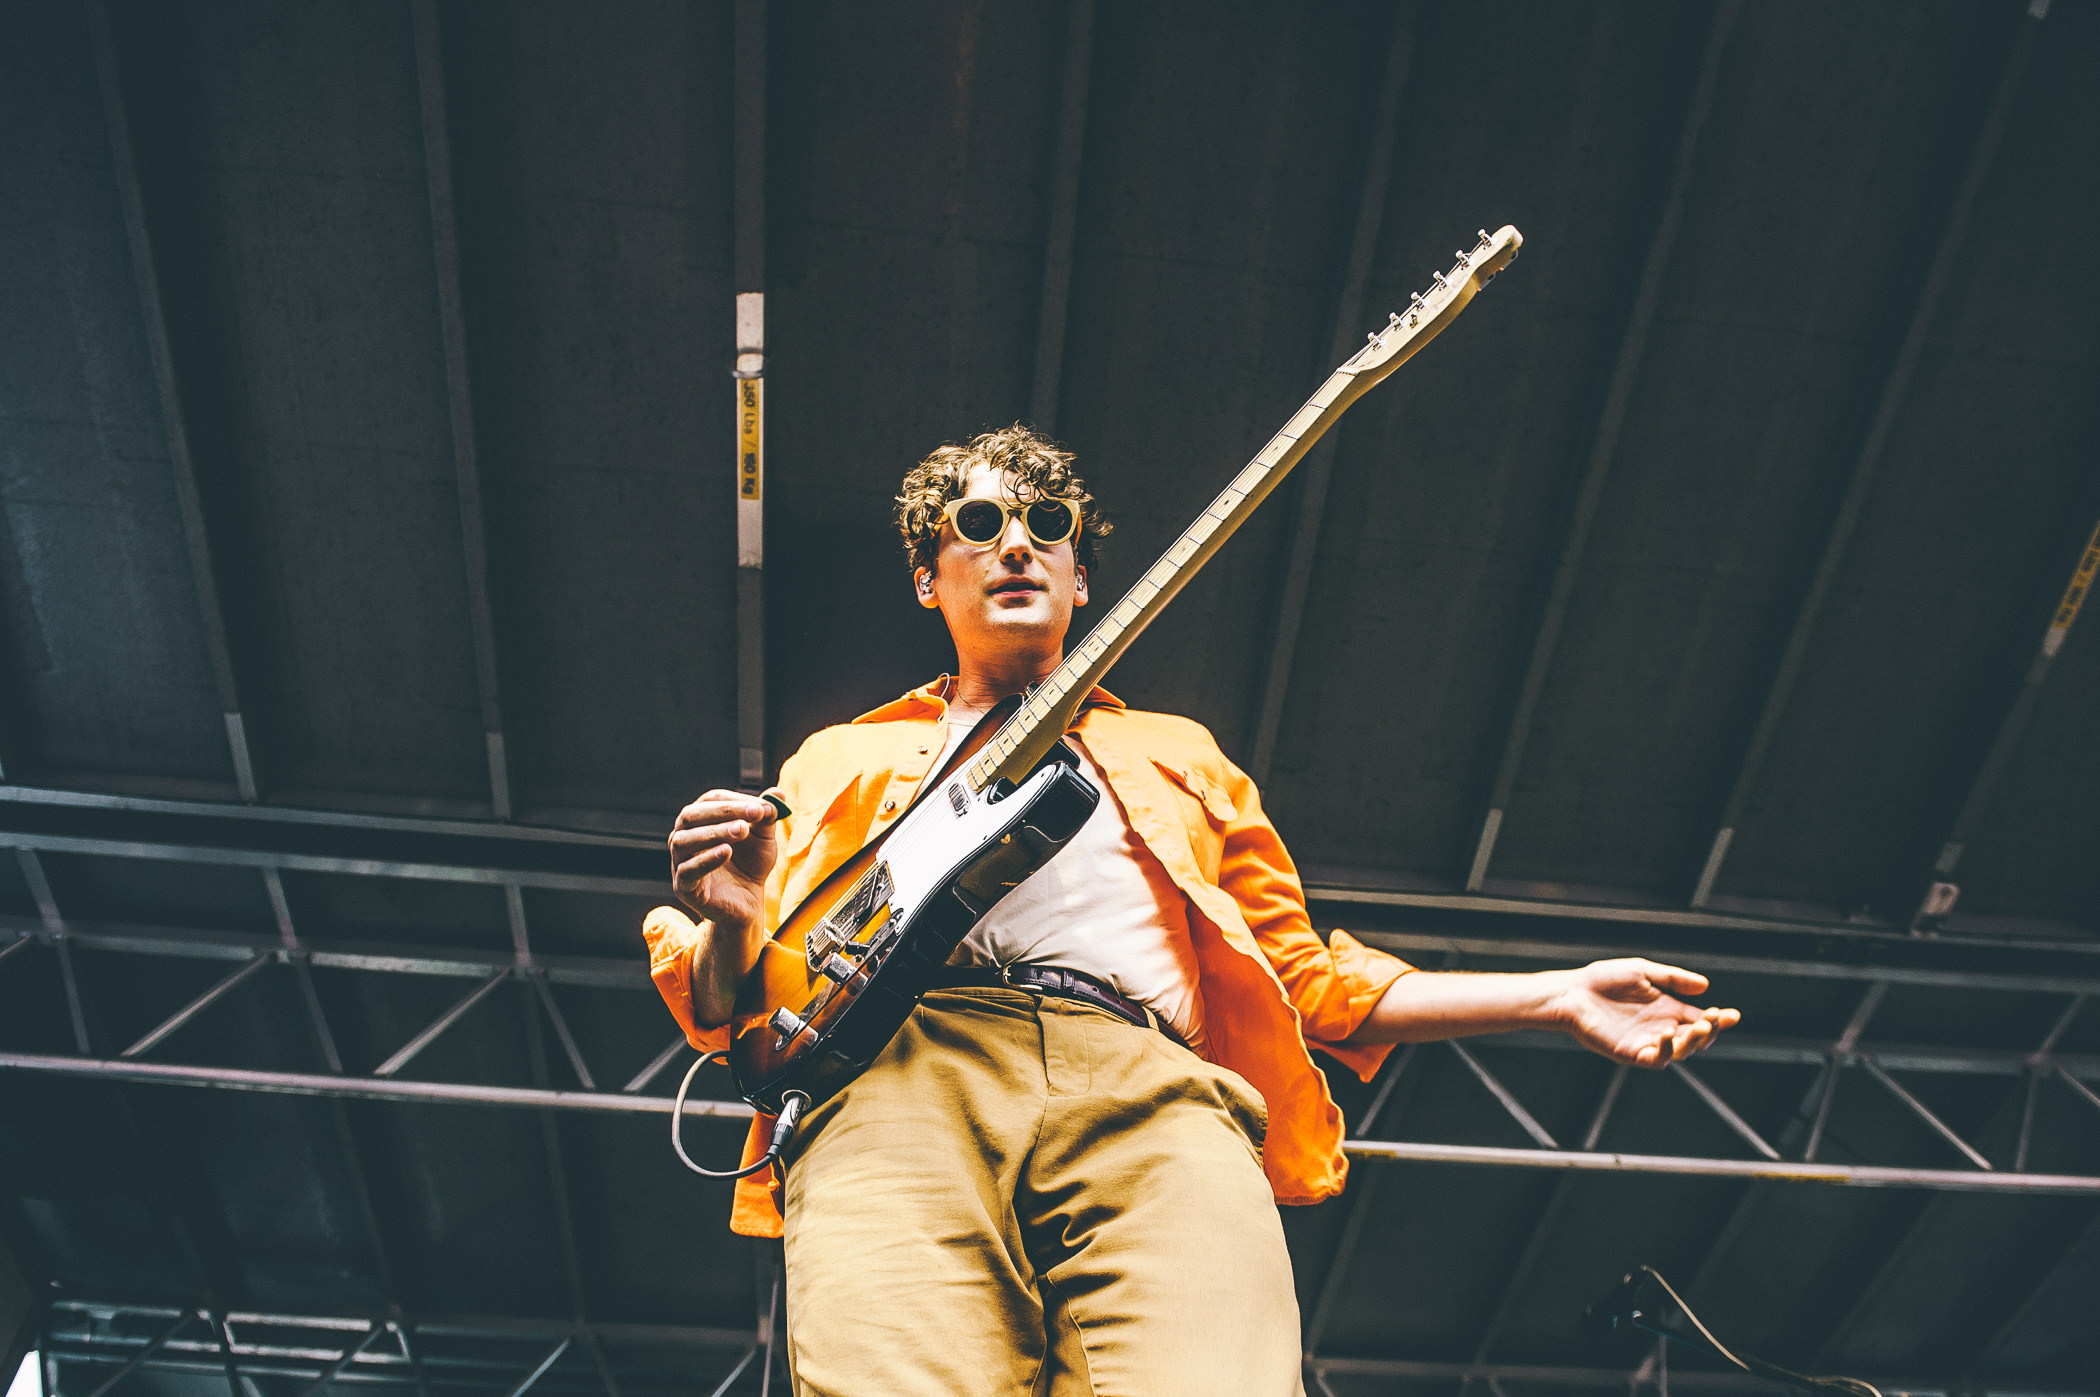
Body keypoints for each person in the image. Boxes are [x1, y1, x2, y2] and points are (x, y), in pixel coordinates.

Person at [643, 425, 1739, 1397]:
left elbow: (1310, 981)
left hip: (1153, 1088)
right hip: (898, 1076)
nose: (1016, 542)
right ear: (931, 577)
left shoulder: (1179, 753)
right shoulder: (839, 756)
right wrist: (735, 920)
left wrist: (1553, 994)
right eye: (977, 523)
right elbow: (744, 1011)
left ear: (1081, 579)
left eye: (1048, 524)